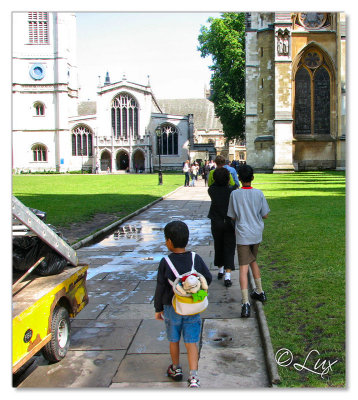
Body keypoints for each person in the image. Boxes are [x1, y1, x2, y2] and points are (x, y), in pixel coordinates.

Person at [154, 221, 212, 388]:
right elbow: (207, 278)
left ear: (170, 242)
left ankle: (176, 368)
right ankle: (193, 377)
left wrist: (158, 308)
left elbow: (160, 286)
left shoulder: (165, 262)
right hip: (192, 307)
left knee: (174, 339)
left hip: (172, 308)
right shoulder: (195, 258)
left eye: (166, 239)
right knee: (191, 341)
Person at [227, 164, 270, 318]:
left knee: (244, 268)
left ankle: (245, 302)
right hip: (256, 233)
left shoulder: (235, 195)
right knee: (253, 261)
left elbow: (232, 216)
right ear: (252, 177)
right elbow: (265, 214)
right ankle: (259, 291)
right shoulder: (259, 194)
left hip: (243, 234)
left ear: (239, 178)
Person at [208, 167, 236, 287]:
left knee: (218, 245)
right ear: (227, 178)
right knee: (229, 247)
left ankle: (220, 270)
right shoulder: (232, 191)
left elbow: (213, 185)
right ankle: (228, 276)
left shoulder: (211, 190)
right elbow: (234, 185)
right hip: (229, 222)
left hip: (216, 221)